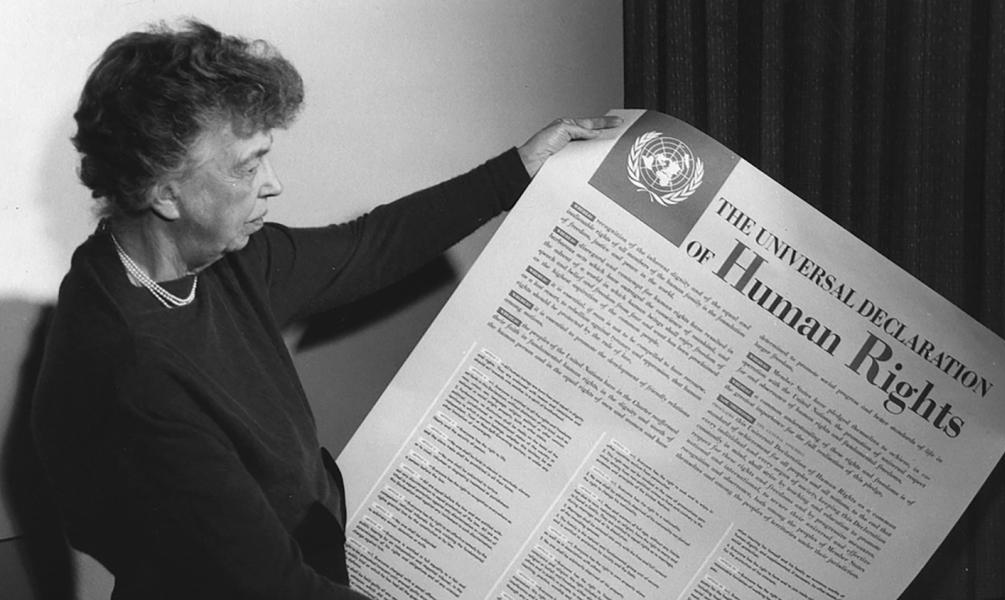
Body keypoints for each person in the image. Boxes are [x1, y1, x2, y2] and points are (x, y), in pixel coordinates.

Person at [31, 19, 619, 599]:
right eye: (246, 165)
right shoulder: (135, 372)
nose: (274, 183)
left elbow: (366, 248)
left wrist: (516, 170)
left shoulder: (212, 260)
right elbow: (276, 590)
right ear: (163, 191)